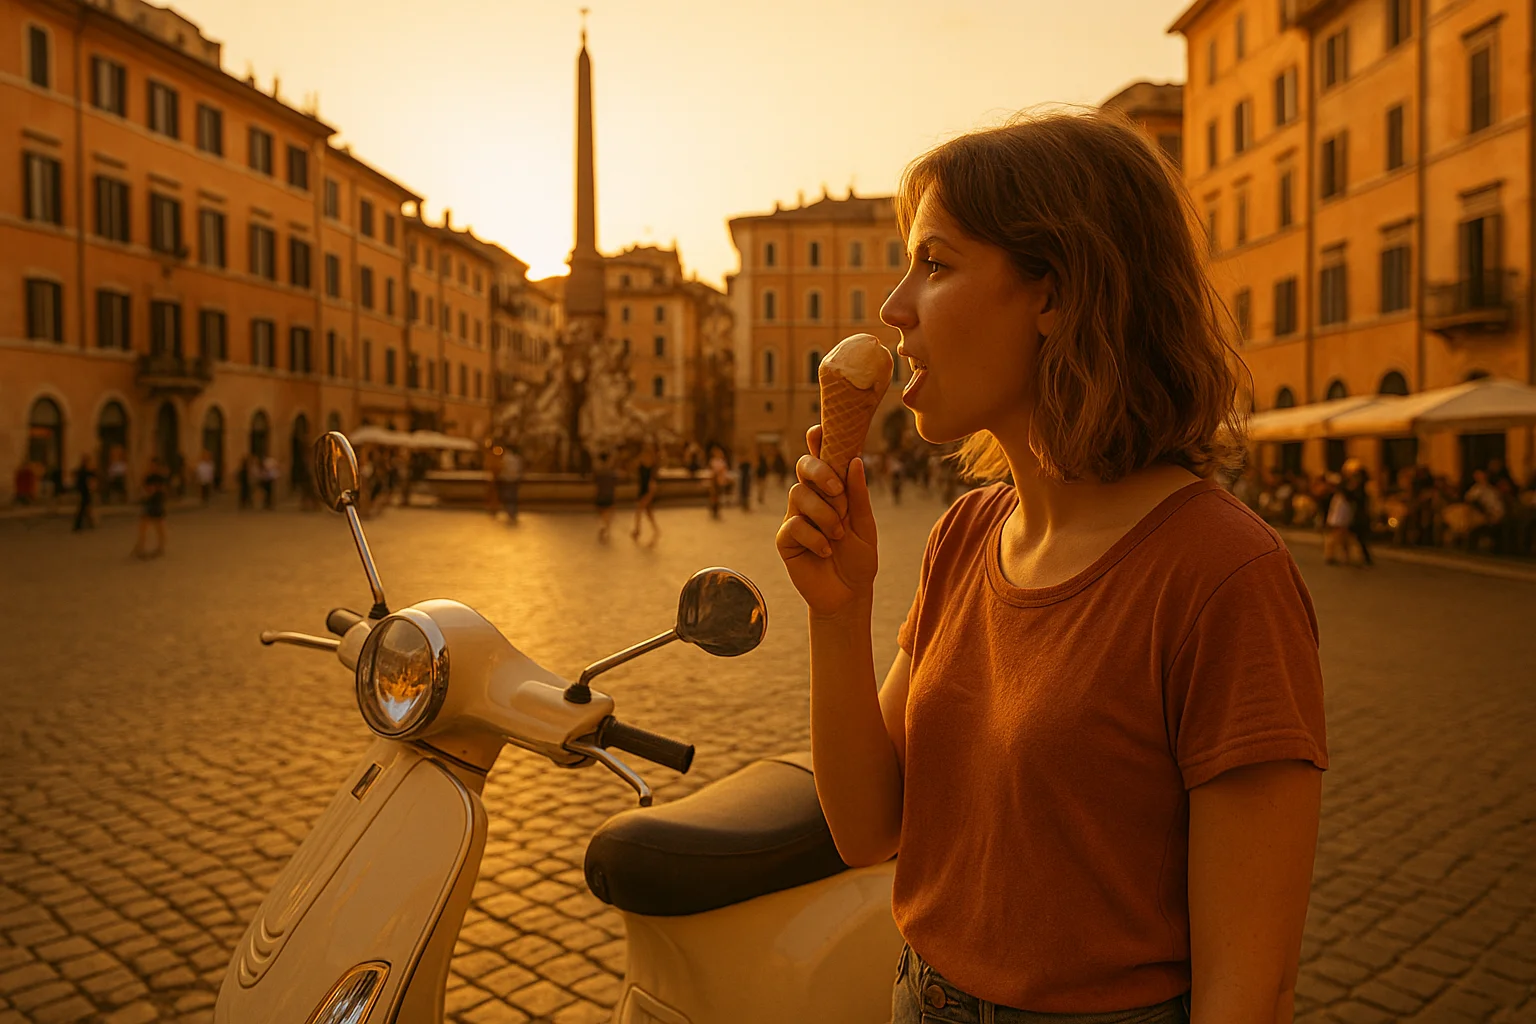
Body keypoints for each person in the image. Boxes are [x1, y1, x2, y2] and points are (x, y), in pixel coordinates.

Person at [777, 112, 1325, 1022]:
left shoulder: (1224, 574)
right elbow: (867, 829)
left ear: (1057, 294)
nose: (894, 308)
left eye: (935, 264)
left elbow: (1250, 988)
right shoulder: (964, 536)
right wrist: (837, 614)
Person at [132, 457, 169, 558]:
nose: (152, 467)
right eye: (151, 465)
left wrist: (157, 491)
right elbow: (144, 487)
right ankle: (140, 547)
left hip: (157, 503)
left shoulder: (160, 477)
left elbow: (163, 490)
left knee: (160, 527)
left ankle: (161, 546)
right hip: (149, 503)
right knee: (143, 526)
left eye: (154, 465)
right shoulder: (148, 477)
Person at [631, 442, 660, 544]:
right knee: (648, 513)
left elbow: (652, 478)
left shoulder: (651, 464)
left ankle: (637, 531)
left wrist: (651, 491)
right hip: (643, 488)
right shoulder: (642, 461)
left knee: (639, 510)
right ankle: (656, 530)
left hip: (648, 489)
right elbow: (633, 466)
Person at [496, 445, 524, 524]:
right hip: (515, 480)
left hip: (506, 480)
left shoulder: (505, 458)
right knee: (513, 496)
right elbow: (520, 469)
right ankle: (513, 512)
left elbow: (502, 468)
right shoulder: (518, 458)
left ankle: (510, 511)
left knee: (507, 496)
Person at [593, 451, 617, 542]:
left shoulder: (598, 472)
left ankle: (604, 528)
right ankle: (606, 529)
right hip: (609, 495)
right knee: (609, 514)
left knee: (602, 514)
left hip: (600, 496)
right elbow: (614, 486)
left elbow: (596, 486)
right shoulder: (612, 473)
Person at [72, 453, 97, 531]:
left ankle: (87, 523)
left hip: (84, 490)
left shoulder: (82, 470)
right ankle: (79, 525)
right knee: (83, 508)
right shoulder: (83, 470)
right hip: (84, 491)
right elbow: (90, 474)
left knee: (85, 507)